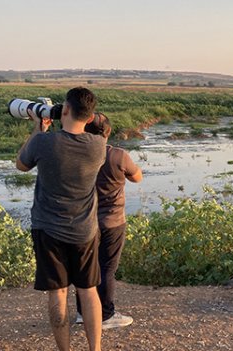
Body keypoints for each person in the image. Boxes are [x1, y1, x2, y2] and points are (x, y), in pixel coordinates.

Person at [17, 87, 106, 351]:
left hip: (48, 229)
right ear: (89, 118)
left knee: (58, 293)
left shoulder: (44, 142)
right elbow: (94, 128)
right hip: (85, 231)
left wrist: (39, 127)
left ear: (64, 109)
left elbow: (21, 164)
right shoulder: (98, 147)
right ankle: (96, 349)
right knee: (88, 290)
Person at [75, 113, 143, 329]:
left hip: (83, 221)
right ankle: (105, 315)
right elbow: (137, 177)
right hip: (112, 221)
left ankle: (82, 313)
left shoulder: (76, 155)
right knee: (106, 269)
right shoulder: (118, 155)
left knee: (85, 268)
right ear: (108, 132)